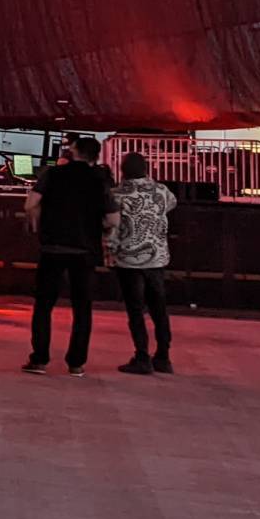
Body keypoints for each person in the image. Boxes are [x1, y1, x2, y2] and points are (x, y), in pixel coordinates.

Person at [23, 135, 111, 374]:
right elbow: (113, 218)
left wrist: (39, 219)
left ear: (74, 150)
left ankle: (39, 359)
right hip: (85, 251)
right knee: (82, 308)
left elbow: (30, 204)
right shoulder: (99, 181)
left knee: (44, 304)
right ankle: (76, 363)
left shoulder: (53, 174)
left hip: (53, 247)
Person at [107, 151, 178, 375]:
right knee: (159, 309)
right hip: (157, 258)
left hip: (129, 259)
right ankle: (164, 357)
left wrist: (109, 251)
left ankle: (142, 356)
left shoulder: (116, 195)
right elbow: (172, 204)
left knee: (136, 310)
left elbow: (112, 226)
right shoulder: (161, 191)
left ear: (122, 170)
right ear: (146, 168)